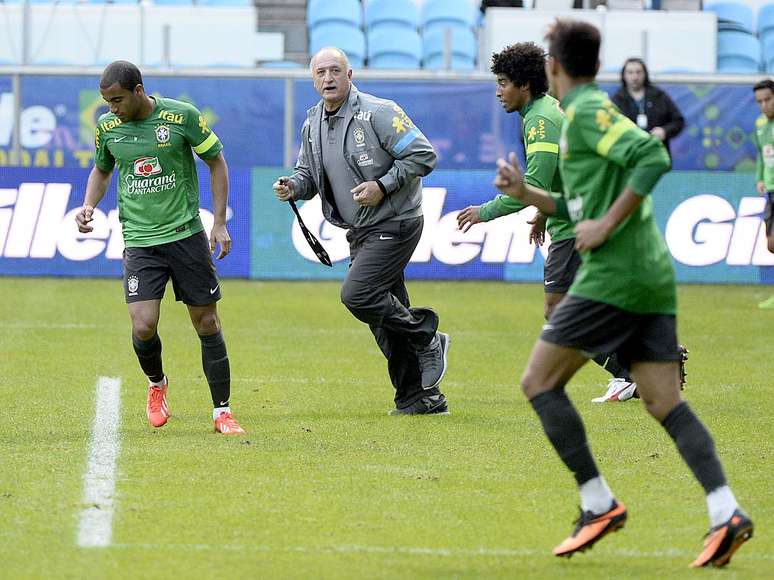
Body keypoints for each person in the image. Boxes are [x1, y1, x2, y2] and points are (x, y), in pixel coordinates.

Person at [494, 19, 753, 567]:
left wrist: (608, 225)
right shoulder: (588, 112)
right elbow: (579, 205)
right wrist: (527, 196)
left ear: (552, 69)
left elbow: (653, 158)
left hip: (615, 276)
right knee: (663, 400)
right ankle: (725, 510)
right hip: (650, 275)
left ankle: (598, 503)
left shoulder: (584, 112)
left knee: (539, 382)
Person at [456, 42, 679, 403]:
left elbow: (535, 185)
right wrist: (544, 213)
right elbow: (561, 173)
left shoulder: (540, 120)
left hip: (576, 223)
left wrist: (483, 212)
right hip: (572, 216)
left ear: (524, 85)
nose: (498, 91)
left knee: (558, 310)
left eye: (503, 82)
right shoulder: (544, 111)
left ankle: (635, 366)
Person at [273, 47, 450, 415]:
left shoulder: (379, 112)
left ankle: (427, 335)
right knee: (384, 320)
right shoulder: (312, 123)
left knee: (358, 294)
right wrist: (294, 186)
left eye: (335, 70)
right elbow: (309, 175)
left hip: (396, 222)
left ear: (350, 74)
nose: (328, 78)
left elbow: (423, 156)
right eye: (320, 72)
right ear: (313, 79)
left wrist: (382, 186)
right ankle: (420, 398)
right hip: (359, 230)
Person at [75, 61, 245, 435]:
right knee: (143, 324)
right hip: (139, 239)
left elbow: (216, 161)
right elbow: (102, 169)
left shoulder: (180, 117)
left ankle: (222, 413)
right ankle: (157, 384)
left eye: (117, 100)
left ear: (138, 91)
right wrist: (89, 205)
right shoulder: (108, 127)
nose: (111, 108)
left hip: (185, 236)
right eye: (106, 102)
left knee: (207, 322)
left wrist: (218, 222)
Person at [611, 57, 684, 158]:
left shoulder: (659, 96)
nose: (634, 77)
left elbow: (678, 121)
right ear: (623, 75)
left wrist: (664, 131)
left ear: (645, 74)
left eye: (638, 72)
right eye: (630, 72)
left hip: (657, 154)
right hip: (628, 156)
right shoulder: (616, 100)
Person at [752, 79, 774, 309]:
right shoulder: (761, 128)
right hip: (770, 189)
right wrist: (759, 178)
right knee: (771, 244)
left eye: (768, 99)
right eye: (759, 101)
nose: (764, 105)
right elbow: (761, 155)